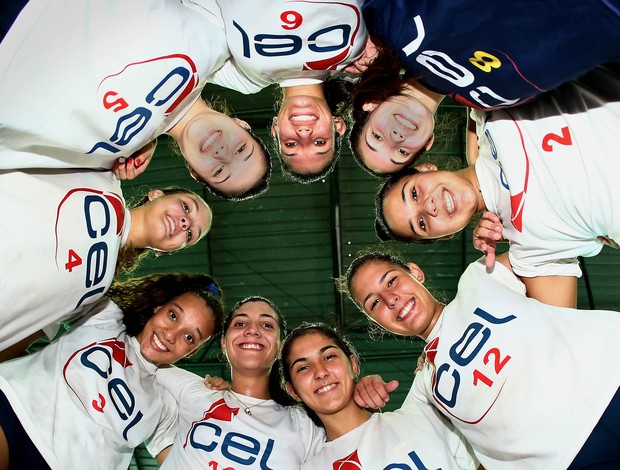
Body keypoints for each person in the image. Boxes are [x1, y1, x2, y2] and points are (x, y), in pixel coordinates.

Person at [341, 250, 620, 469]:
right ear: (374, 322)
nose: (390, 299)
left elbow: (546, 245)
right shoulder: (425, 388)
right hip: (568, 460)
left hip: (610, 379)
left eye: (391, 281)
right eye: (374, 303)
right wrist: (355, 395)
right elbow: (391, 444)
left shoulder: (479, 277)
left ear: (415, 272)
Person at [374, 65, 620, 307]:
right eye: (421, 224)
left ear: (425, 168)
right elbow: (560, 331)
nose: (428, 207)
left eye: (414, 193)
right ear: (446, 235)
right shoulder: (529, 250)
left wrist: (474, 125)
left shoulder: (486, 109)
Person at [0, 0, 270, 200]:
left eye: (220, 171)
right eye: (240, 150)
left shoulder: (117, 152)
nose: (222, 153)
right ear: (242, 124)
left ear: (195, 173)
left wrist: (112, 164)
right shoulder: (218, 43)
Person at [0, 272, 224, 470]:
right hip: (13, 410)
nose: (170, 334)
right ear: (159, 308)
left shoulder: (165, 406)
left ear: (192, 352)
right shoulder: (104, 315)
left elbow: (178, 463)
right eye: (173, 316)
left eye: (188, 337)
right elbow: (30, 325)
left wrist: (230, 403)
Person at [0, 168, 213, 360]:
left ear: (168, 250)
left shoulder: (96, 291)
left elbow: (26, 334)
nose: (185, 222)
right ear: (156, 194)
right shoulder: (100, 178)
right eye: (186, 207)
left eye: (190, 234)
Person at [155, 296, 325, 468]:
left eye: (267, 325)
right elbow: (140, 354)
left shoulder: (305, 426)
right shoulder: (193, 391)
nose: (252, 330)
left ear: (281, 347)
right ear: (223, 343)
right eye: (240, 324)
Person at [281, 322, 478, 469]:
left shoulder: (424, 416)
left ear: (354, 365)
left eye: (329, 356)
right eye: (303, 367)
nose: (321, 372)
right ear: (293, 391)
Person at [209, 0, 367, 182]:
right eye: (319, 142)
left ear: (275, 129)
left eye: (291, 144)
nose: (304, 133)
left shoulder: (245, 79)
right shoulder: (358, 62)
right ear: (337, 125)